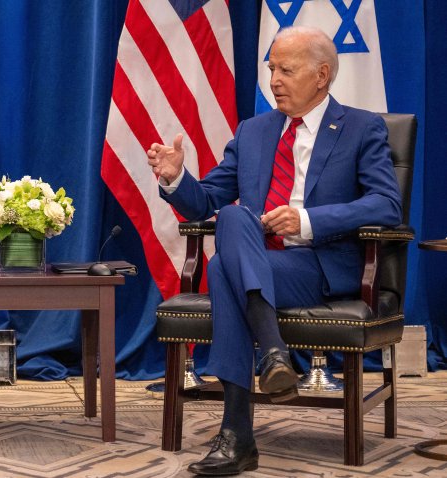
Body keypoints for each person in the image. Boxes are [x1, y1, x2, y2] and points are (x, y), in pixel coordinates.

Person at [147, 26, 401, 476]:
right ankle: (273, 355)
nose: (274, 80)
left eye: (287, 69)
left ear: (322, 75)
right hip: (263, 259)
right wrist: (174, 178)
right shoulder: (253, 131)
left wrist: (306, 221)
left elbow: (386, 203)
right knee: (232, 219)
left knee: (226, 266)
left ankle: (238, 434)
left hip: (318, 265)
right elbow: (207, 201)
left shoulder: (363, 128)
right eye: (271, 69)